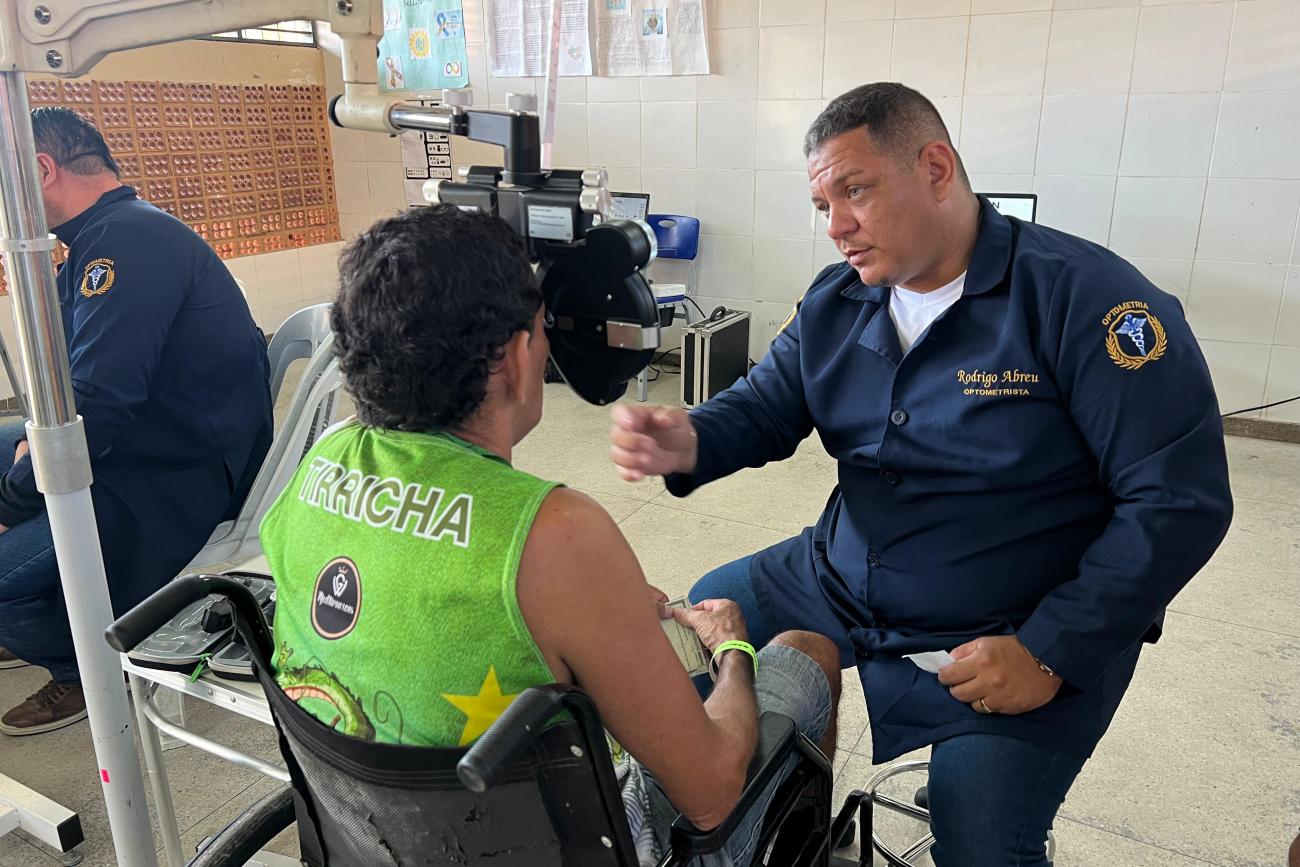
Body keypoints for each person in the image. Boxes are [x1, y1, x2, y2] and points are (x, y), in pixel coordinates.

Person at [608, 82, 1234, 866]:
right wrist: (689, 438)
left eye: (855, 191)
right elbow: (767, 404)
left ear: (935, 169)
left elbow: (1178, 501)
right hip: (846, 573)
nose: (836, 226)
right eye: (822, 204)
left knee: (980, 831)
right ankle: (784, 822)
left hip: (1016, 616)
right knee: (701, 627)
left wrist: (1048, 650)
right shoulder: (839, 300)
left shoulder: (1087, 302)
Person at [259, 205, 842, 866]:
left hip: (377, 842)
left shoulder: (322, 460)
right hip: (590, 844)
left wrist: (591, 613)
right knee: (805, 651)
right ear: (515, 356)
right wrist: (734, 647)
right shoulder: (556, 534)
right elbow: (710, 795)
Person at [0, 107, 273, 735]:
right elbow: (71, 382)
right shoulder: (102, 237)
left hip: (173, 478)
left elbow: (96, 406)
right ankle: (38, 608)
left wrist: (12, 502)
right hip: (150, 443)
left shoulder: (125, 244)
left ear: (41, 170)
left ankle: (83, 668)